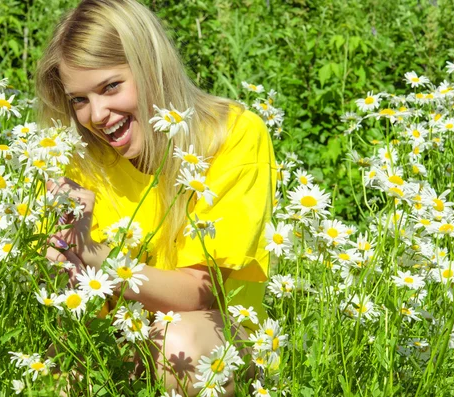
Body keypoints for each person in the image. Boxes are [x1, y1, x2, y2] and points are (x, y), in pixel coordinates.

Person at [36, 0, 276, 395]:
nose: (96, 115)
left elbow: (201, 292)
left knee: (175, 340)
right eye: (79, 99)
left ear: (151, 68)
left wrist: (93, 254)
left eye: (111, 87)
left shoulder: (232, 135)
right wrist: (58, 264)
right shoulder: (81, 161)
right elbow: (74, 310)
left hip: (213, 337)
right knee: (62, 379)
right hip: (117, 343)